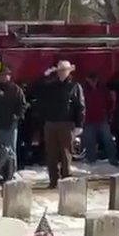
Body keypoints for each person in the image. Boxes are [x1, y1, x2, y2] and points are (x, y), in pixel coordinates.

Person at [36, 60, 85, 188]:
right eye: (59, 70)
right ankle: (53, 180)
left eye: (64, 70)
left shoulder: (75, 86)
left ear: (69, 71)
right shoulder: (51, 84)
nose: (62, 73)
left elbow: (80, 106)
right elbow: (36, 87)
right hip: (51, 123)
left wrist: (79, 125)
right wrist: (45, 74)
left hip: (67, 123)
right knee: (51, 154)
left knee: (66, 153)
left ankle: (66, 179)